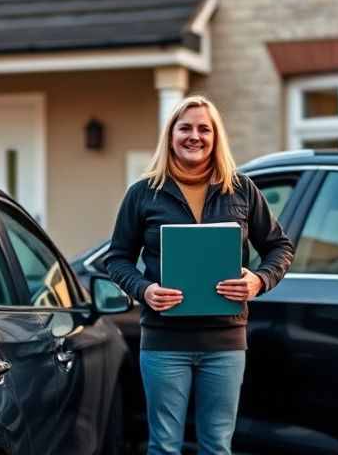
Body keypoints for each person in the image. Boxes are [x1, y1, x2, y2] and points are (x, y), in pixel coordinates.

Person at [106, 95, 294, 455]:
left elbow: (279, 247)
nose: (195, 136)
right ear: (171, 135)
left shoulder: (241, 190)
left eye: (204, 129)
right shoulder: (143, 194)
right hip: (164, 342)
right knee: (163, 446)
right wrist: (144, 290)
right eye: (186, 128)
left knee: (218, 446)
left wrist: (258, 280)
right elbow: (117, 259)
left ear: (215, 136)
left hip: (224, 342)